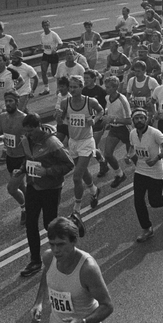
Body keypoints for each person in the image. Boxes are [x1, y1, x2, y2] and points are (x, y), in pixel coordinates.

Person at [30, 217, 114, 323]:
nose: (56, 250)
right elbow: (47, 274)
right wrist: (39, 302)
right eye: (52, 244)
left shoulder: (88, 269)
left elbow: (107, 306)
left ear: (74, 241)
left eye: (61, 244)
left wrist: (82, 322)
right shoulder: (49, 257)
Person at [18, 114, 74, 278]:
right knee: (30, 223)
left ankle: (62, 256)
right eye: (26, 131)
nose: (29, 134)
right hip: (33, 186)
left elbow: (68, 164)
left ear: (38, 126)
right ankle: (35, 260)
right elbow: (28, 159)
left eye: (31, 130)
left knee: (49, 225)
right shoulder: (26, 140)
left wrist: (47, 171)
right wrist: (21, 170)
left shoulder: (51, 142)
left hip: (51, 187)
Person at [59, 76, 104, 232]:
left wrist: (95, 119)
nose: (72, 90)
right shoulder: (65, 102)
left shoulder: (89, 101)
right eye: (70, 87)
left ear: (81, 87)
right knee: (83, 171)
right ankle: (94, 190)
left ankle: (77, 208)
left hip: (86, 141)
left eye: (75, 87)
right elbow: (61, 118)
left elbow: (101, 111)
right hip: (73, 142)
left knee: (76, 176)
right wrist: (58, 117)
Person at [128, 109, 163, 243]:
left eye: (142, 118)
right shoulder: (132, 133)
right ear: (133, 120)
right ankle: (147, 229)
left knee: (154, 202)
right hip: (140, 171)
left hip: (155, 173)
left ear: (146, 119)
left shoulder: (154, 133)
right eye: (136, 118)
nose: (139, 121)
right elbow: (132, 148)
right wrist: (129, 155)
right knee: (138, 201)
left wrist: (157, 158)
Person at [0, 92, 28, 225]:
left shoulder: (24, 118)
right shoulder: (2, 117)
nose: (8, 104)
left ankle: (24, 208)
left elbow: (34, 136)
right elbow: (0, 132)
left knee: (12, 188)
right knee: (21, 186)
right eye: (6, 101)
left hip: (23, 158)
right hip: (10, 157)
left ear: (17, 102)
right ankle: (31, 204)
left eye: (11, 101)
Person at [99, 76, 131, 189]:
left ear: (115, 87)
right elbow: (110, 109)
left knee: (132, 157)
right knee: (107, 154)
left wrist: (112, 119)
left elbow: (129, 120)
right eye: (105, 86)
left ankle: (146, 175)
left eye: (108, 87)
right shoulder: (108, 98)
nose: (105, 89)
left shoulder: (123, 100)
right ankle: (120, 174)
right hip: (114, 129)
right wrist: (106, 117)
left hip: (125, 130)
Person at [39, 20, 64, 96]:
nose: (46, 27)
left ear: (49, 26)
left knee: (54, 74)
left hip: (53, 55)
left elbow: (60, 43)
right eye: (44, 25)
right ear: (42, 26)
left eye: (47, 25)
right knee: (43, 71)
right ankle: (46, 88)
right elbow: (42, 45)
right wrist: (40, 48)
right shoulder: (42, 35)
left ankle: (59, 88)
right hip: (46, 54)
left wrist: (55, 49)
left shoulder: (53, 34)